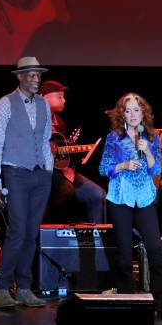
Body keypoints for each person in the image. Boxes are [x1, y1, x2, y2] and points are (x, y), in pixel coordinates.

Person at [0, 56, 53, 309]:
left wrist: (47, 170)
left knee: (31, 232)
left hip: (39, 174)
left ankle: (24, 287)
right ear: (20, 77)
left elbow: (45, 139)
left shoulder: (44, 104)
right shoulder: (5, 104)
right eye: (31, 75)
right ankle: (3, 286)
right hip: (15, 172)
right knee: (17, 230)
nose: (36, 79)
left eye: (38, 75)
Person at [98, 92, 162, 306]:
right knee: (125, 255)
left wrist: (149, 153)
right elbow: (102, 168)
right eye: (128, 111)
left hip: (144, 197)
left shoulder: (152, 138)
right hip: (120, 197)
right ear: (122, 114)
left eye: (137, 110)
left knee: (155, 250)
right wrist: (123, 166)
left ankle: (160, 302)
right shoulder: (113, 138)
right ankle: (128, 302)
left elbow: (156, 170)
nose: (133, 114)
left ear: (143, 113)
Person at [39, 80, 106, 223]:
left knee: (98, 194)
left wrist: (68, 167)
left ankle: (98, 240)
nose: (64, 100)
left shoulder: (59, 122)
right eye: (59, 96)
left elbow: (62, 155)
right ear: (44, 97)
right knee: (66, 189)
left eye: (63, 96)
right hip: (40, 171)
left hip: (58, 170)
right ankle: (50, 230)